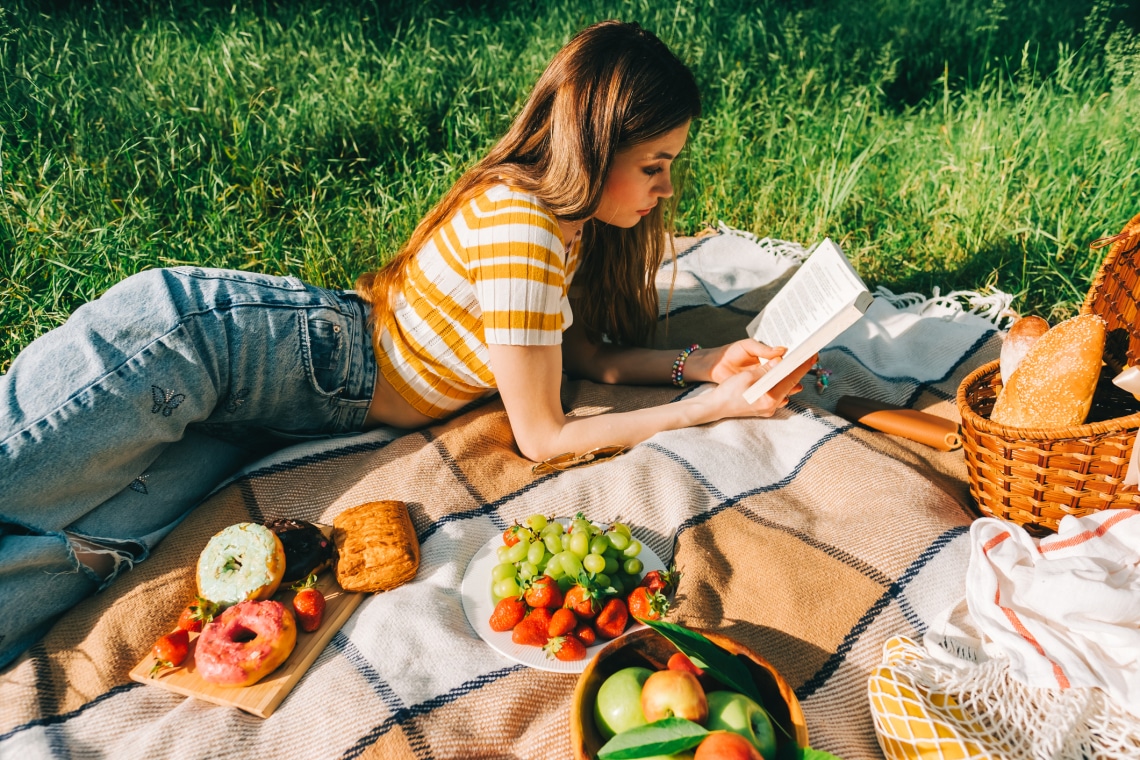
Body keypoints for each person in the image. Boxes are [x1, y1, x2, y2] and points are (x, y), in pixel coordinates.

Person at [0, 20, 811, 668]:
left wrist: (697, 364)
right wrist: (706, 409)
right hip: (204, 344)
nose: (669, 189)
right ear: (598, 151)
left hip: (258, 416)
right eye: (657, 165)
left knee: (81, 549)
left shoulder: (557, 228)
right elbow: (545, 436)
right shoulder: (524, 228)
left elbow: (586, 359)